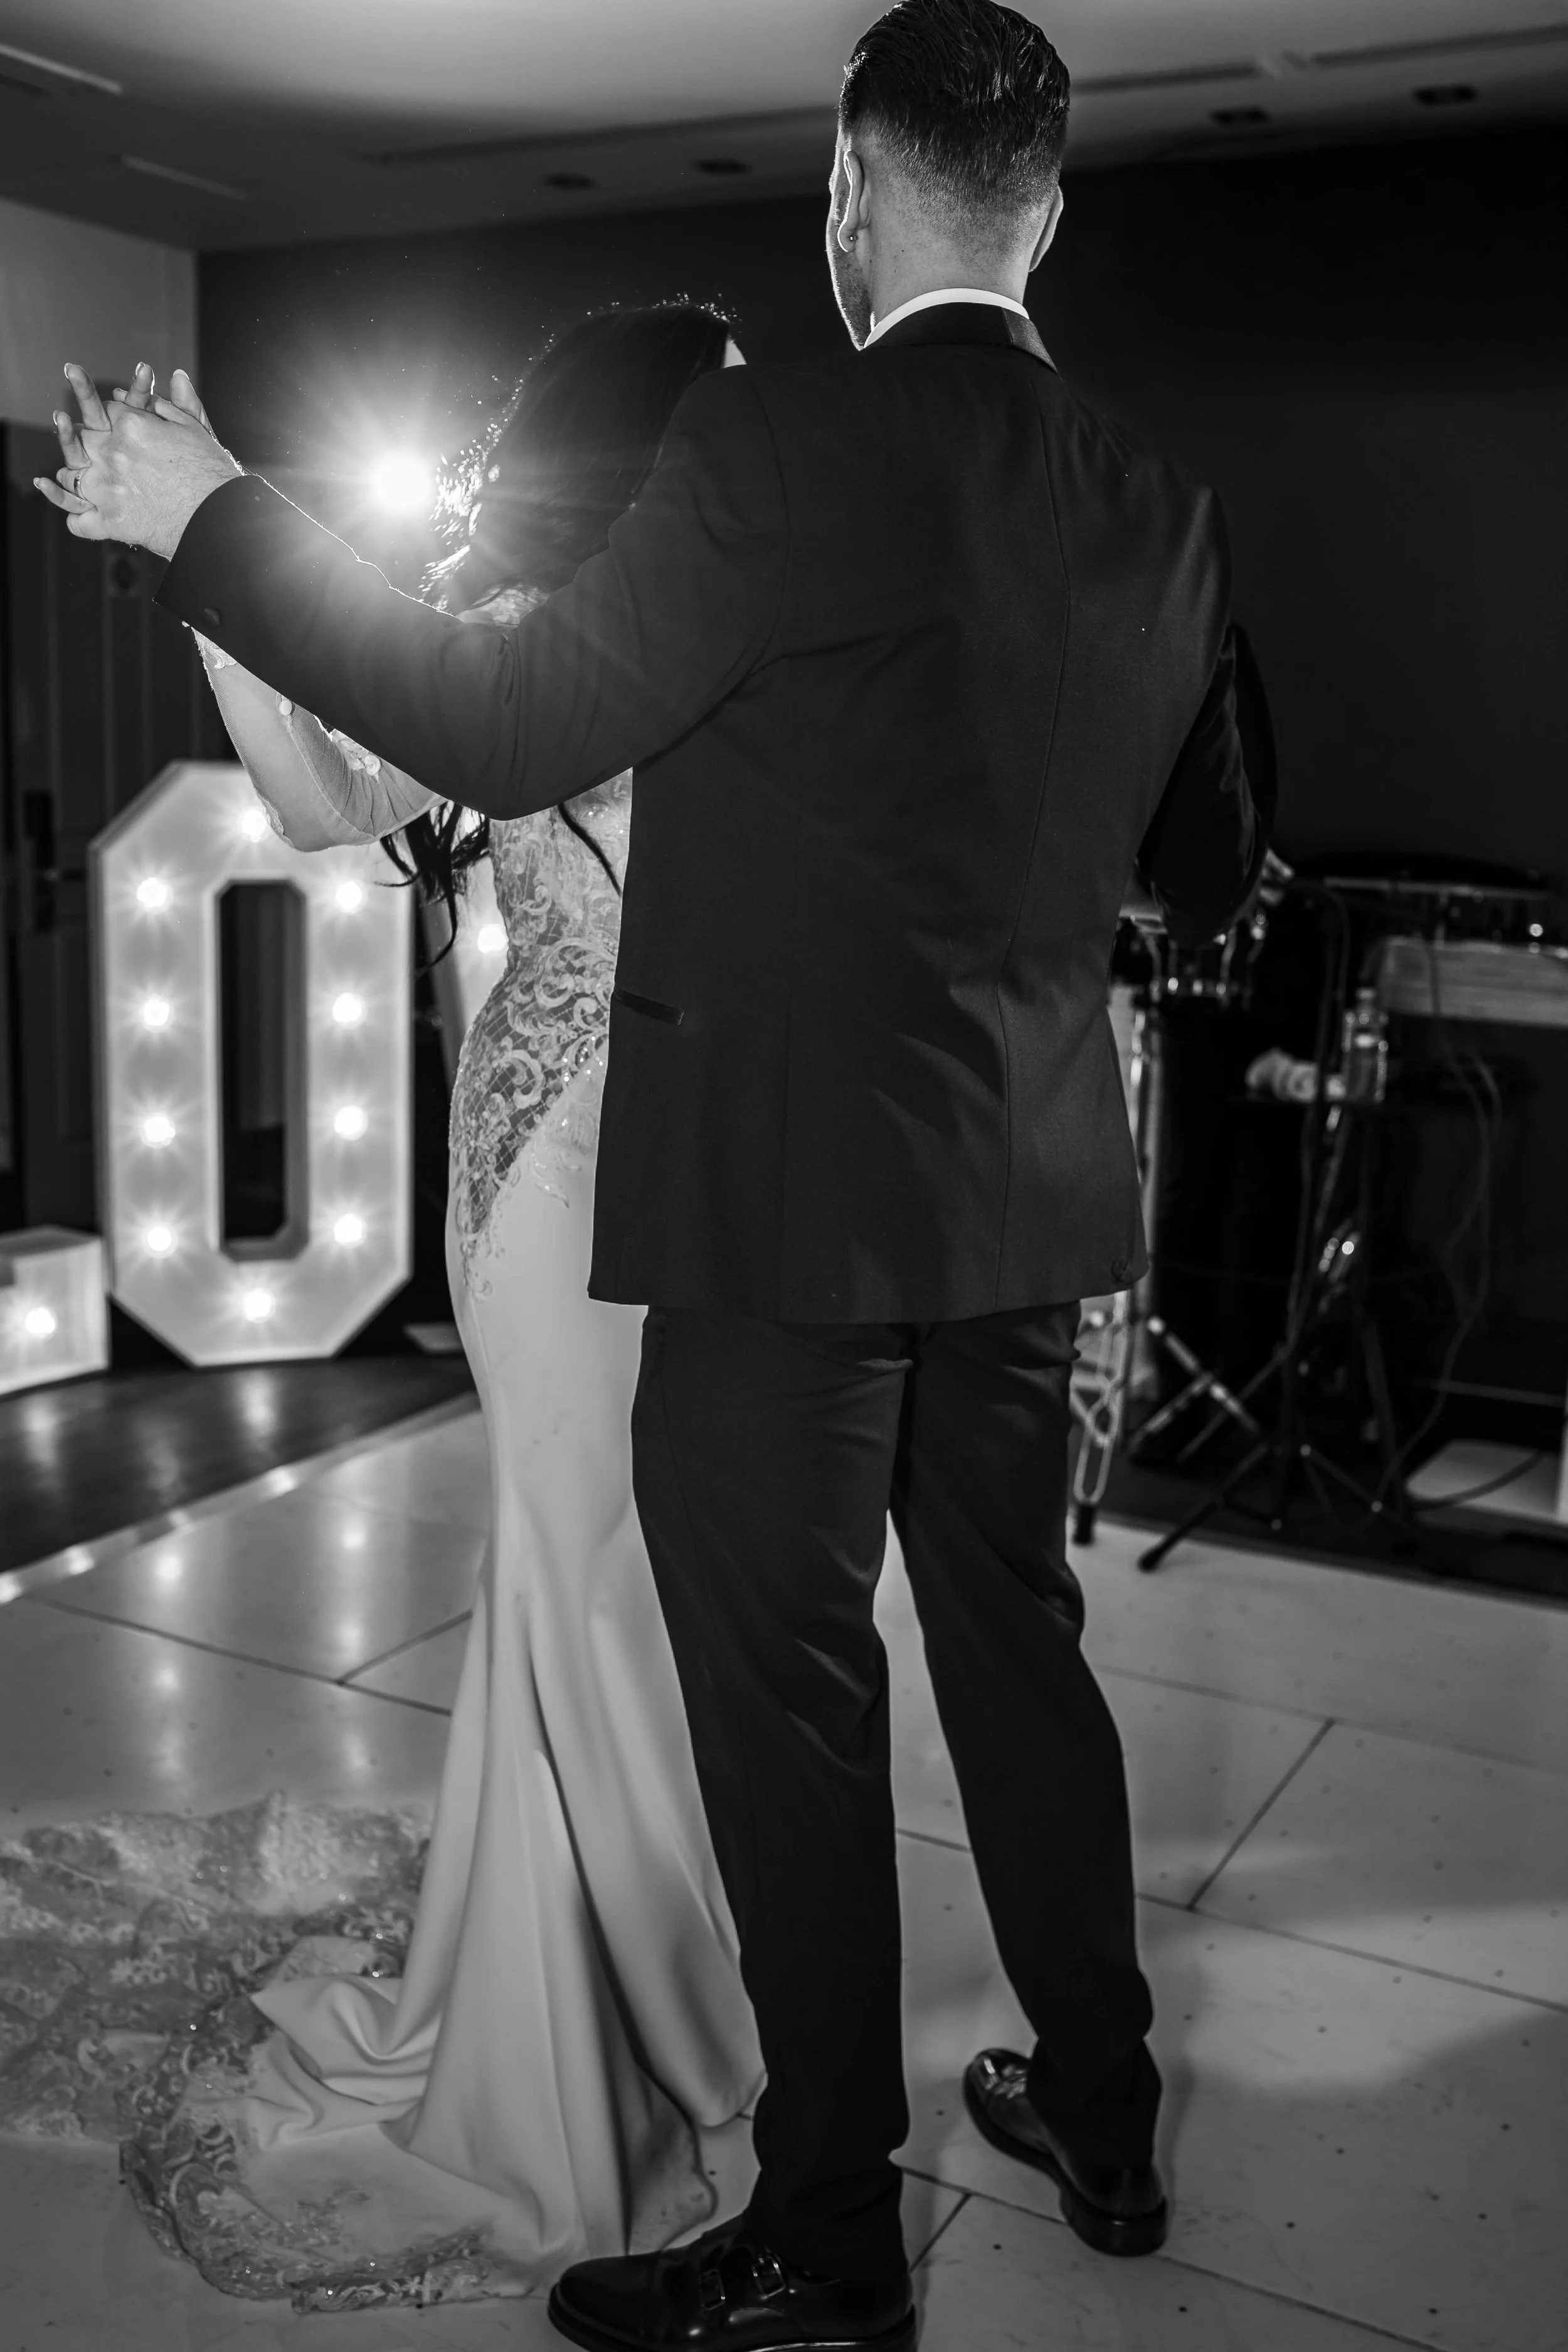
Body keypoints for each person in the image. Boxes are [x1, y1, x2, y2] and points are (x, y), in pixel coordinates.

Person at [44, 4, 1276, 2346]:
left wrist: (213, 518)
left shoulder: (775, 440)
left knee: (791, 1719)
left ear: (847, 185)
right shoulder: (1156, 501)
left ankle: (825, 2253)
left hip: (772, 1215)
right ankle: (1100, 2117)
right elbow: (1200, 872)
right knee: (1022, 1665)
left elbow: (503, 725)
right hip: (1027, 1205)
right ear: (1046, 208)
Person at [42, 307, 765, 2312]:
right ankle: (653, 2012)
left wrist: (240, 540)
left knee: (603, 1578)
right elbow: (313, 801)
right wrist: (214, 593)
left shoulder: (648, 635)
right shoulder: (568, 631)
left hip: (652, 1170)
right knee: (571, 1572)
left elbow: (466, 753)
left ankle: (657, 1986)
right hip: (542, 1175)